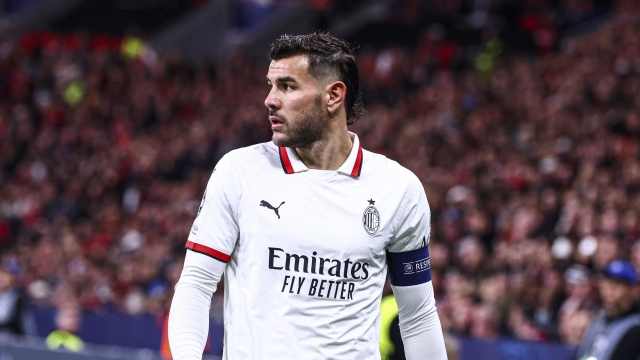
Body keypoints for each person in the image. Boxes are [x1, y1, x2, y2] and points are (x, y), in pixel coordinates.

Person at [168, 32, 447, 360]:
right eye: (270, 85)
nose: (270, 99)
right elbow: (196, 285)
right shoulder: (239, 172)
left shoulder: (398, 190)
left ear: (333, 96)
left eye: (287, 86)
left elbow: (417, 316)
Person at [574, 260, 640, 360]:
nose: (609, 289)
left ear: (632, 289)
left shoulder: (635, 327)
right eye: (607, 282)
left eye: (616, 284)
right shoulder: (598, 320)